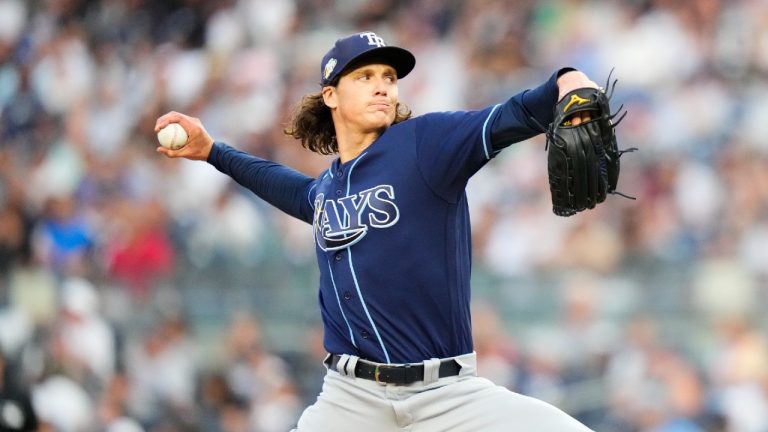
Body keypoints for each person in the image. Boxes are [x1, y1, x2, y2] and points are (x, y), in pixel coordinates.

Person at [155, 31, 598, 431]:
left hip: (446, 395)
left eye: (388, 75)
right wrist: (213, 151)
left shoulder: (426, 145)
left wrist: (567, 78)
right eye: (365, 76)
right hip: (350, 400)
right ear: (330, 95)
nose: (383, 84)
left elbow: (512, 114)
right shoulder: (327, 190)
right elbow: (284, 185)